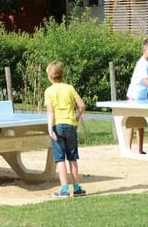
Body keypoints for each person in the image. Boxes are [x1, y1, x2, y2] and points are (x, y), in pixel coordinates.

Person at [44, 61, 86, 198]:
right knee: (72, 158)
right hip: (70, 126)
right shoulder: (70, 88)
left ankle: (64, 190)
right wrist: (77, 117)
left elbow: (50, 112)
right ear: (61, 75)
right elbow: (82, 106)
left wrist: (50, 128)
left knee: (60, 159)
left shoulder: (49, 91)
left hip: (57, 126)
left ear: (49, 76)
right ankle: (77, 188)